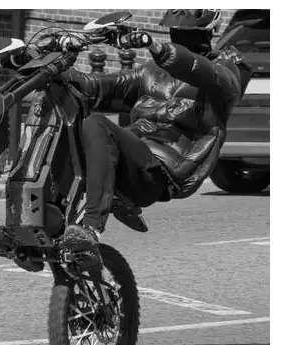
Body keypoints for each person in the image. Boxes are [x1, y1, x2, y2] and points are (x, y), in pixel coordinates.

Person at [56, 9, 252, 269]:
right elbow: (94, 87)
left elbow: (198, 69)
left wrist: (155, 46)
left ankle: (91, 229)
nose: (178, 35)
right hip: (133, 159)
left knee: (96, 123)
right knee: (72, 124)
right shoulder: (151, 72)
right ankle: (43, 225)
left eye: (187, 32)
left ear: (210, 30)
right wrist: (49, 64)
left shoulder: (228, 70)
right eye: (175, 31)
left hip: (161, 173)